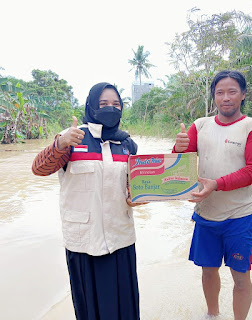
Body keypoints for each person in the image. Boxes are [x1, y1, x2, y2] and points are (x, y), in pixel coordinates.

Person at [32, 82, 143, 320]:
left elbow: (133, 189)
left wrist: (137, 198)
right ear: (92, 106)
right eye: (103, 104)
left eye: (116, 104)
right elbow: (39, 169)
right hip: (83, 242)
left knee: (125, 307)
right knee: (89, 309)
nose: (110, 109)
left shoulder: (127, 145)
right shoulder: (73, 138)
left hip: (120, 238)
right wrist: (59, 143)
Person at [173, 70, 252, 320]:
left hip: (240, 216)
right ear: (214, 96)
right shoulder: (200, 125)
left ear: (243, 94)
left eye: (232, 91)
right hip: (206, 215)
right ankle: (212, 315)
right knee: (208, 271)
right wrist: (178, 147)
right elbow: (179, 163)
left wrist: (216, 184)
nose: (226, 97)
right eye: (220, 92)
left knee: (240, 277)